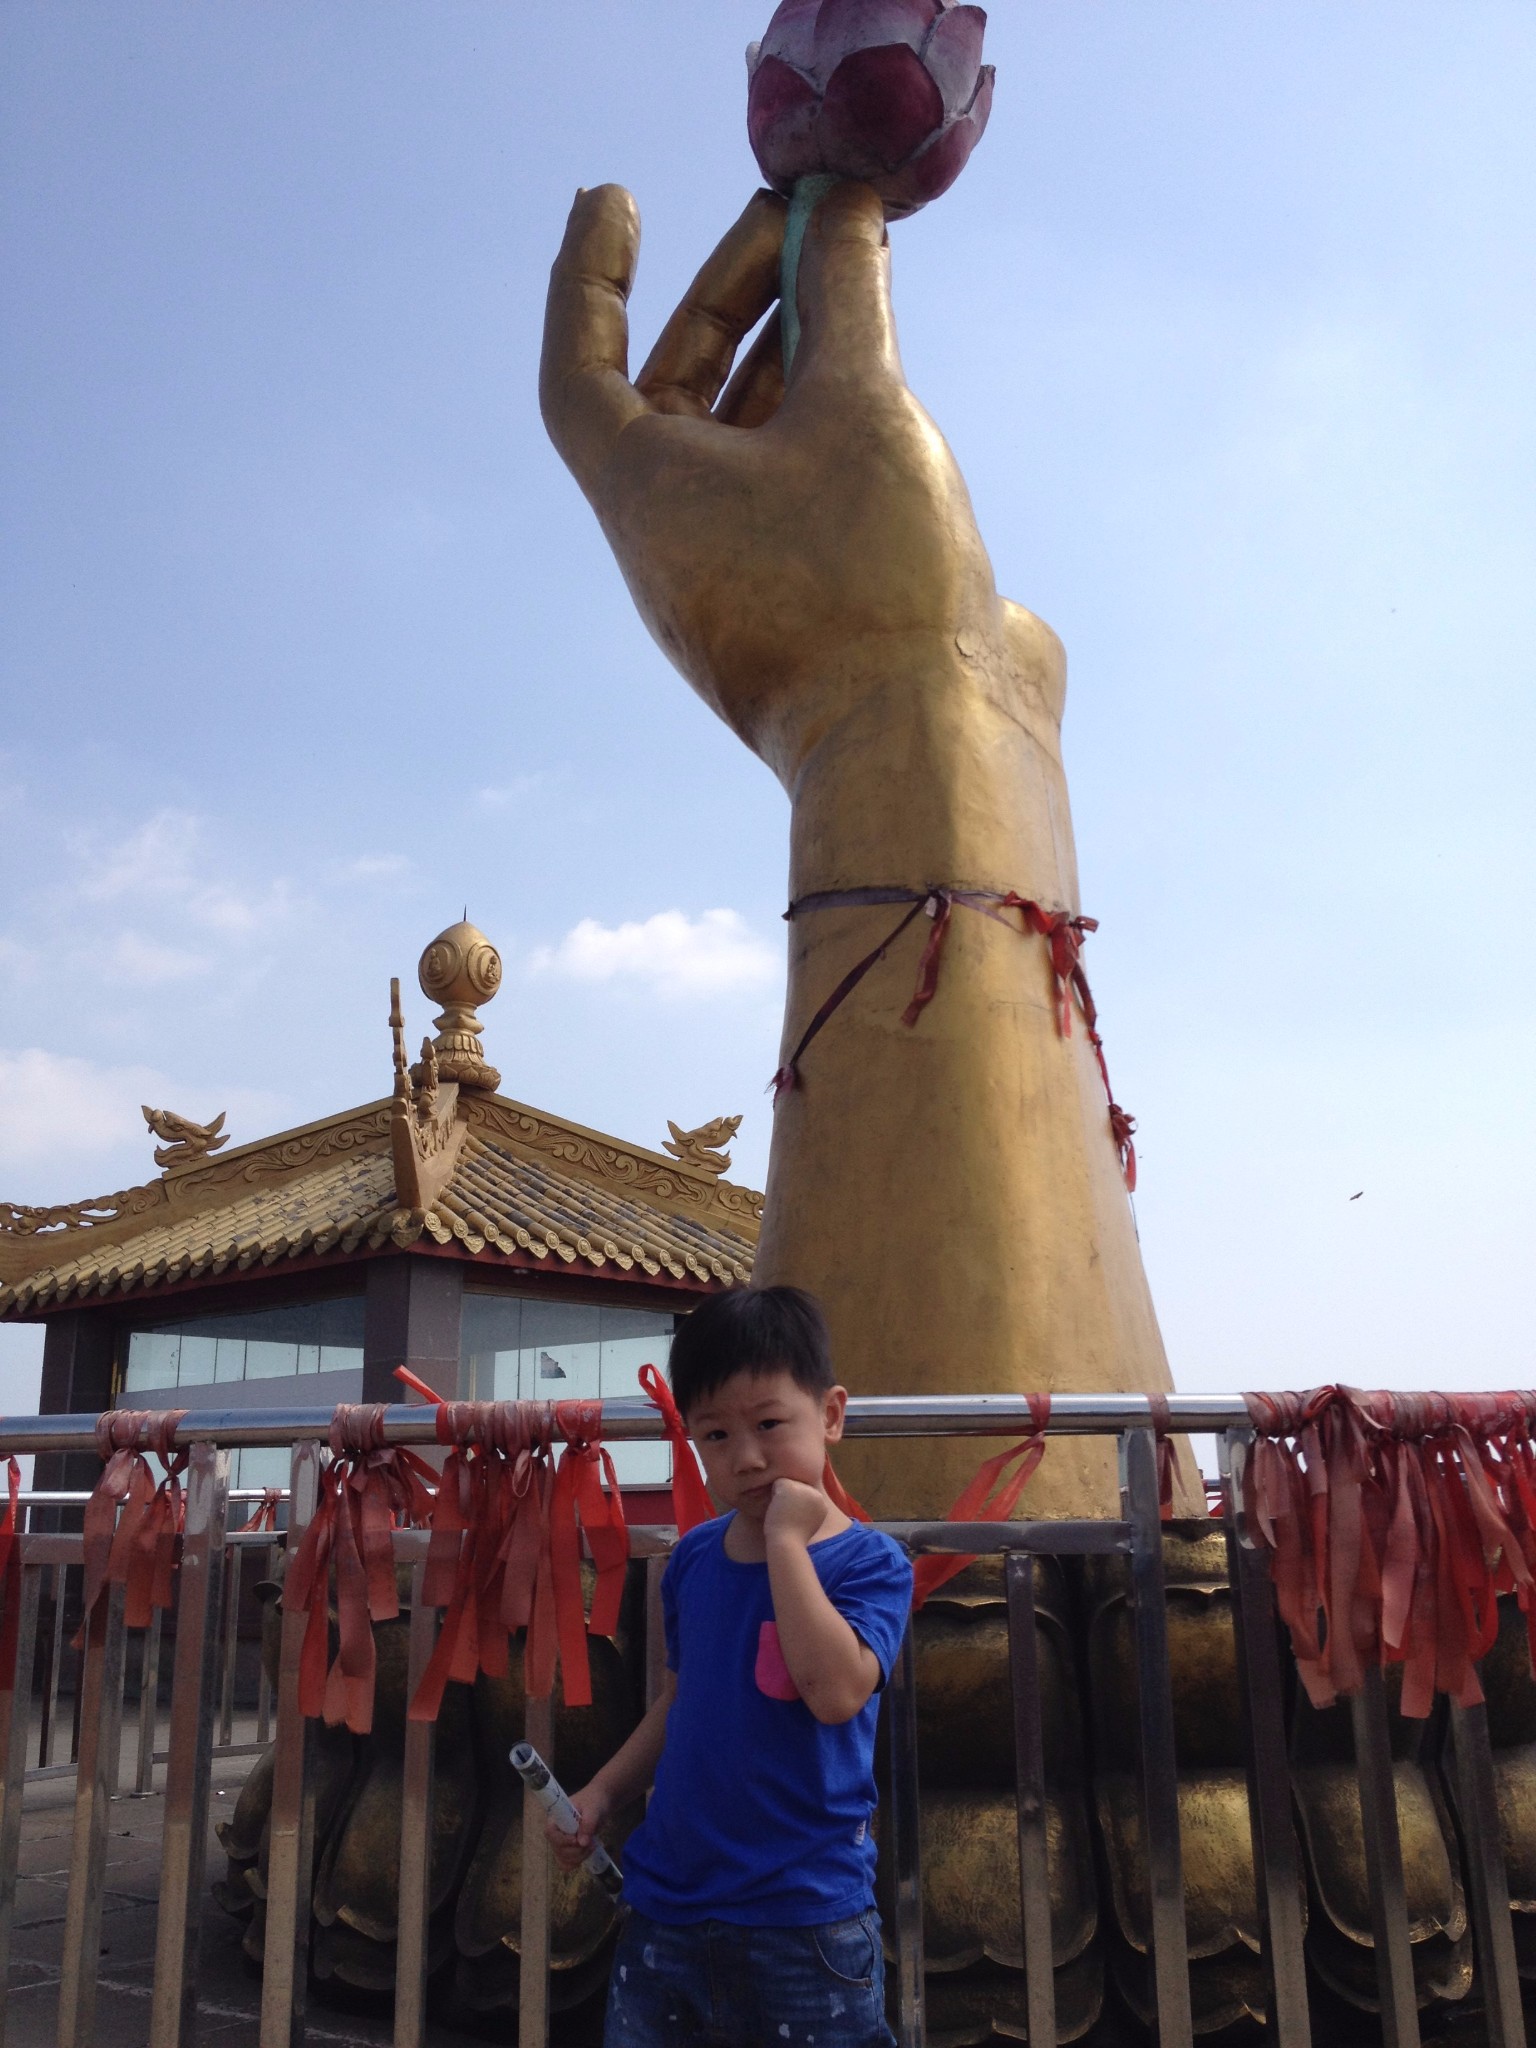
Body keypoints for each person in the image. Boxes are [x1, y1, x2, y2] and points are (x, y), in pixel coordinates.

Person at [547, 1285, 913, 2048]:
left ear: (831, 1415)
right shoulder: (693, 1561)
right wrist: (604, 1793)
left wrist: (785, 1542)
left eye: (769, 1425)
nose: (745, 1458)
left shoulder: (870, 1563)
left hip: (805, 1919)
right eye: (714, 1435)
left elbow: (834, 1692)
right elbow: (681, 1702)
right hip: (666, 1909)